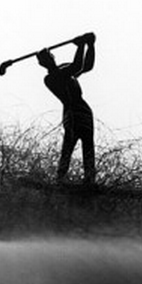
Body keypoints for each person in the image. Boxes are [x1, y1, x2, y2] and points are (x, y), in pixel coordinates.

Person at [37, 33, 96, 184]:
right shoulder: (51, 79)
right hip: (72, 113)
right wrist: (81, 45)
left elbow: (86, 66)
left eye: (49, 56)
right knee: (68, 145)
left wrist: (90, 45)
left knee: (88, 146)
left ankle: (90, 179)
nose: (49, 58)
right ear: (42, 64)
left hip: (84, 111)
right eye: (45, 59)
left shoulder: (65, 69)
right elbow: (77, 65)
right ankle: (60, 178)